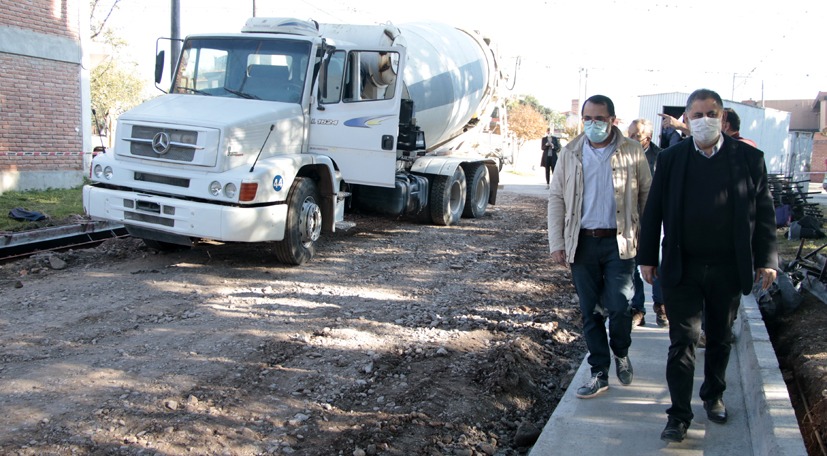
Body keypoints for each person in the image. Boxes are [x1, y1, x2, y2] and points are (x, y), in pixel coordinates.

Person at [638, 89, 777, 443]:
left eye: (710, 113)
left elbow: (763, 214)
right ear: (686, 119)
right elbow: (653, 211)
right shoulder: (671, 160)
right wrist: (648, 257)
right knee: (682, 340)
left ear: (722, 118)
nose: (703, 120)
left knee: (719, 337)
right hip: (683, 267)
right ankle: (679, 414)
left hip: (727, 268)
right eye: (695, 114)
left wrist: (766, 260)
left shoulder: (748, 158)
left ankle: (713, 395)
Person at [548, 95, 652, 399]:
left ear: (613, 121)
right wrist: (557, 242)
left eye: (600, 119)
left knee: (620, 306)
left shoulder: (632, 152)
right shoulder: (570, 153)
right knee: (590, 312)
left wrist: (647, 245)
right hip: (582, 244)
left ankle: (620, 351)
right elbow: (557, 198)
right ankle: (599, 372)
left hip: (620, 244)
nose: (593, 124)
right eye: (588, 119)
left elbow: (647, 196)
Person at [627, 119, 667, 328]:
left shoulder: (662, 157)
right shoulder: (622, 155)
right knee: (632, 264)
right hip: (630, 218)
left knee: (656, 262)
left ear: (647, 139)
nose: (632, 139)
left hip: (656, 219)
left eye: (637, 136)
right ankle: (638, 308)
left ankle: (661, 306)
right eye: (630, 134)